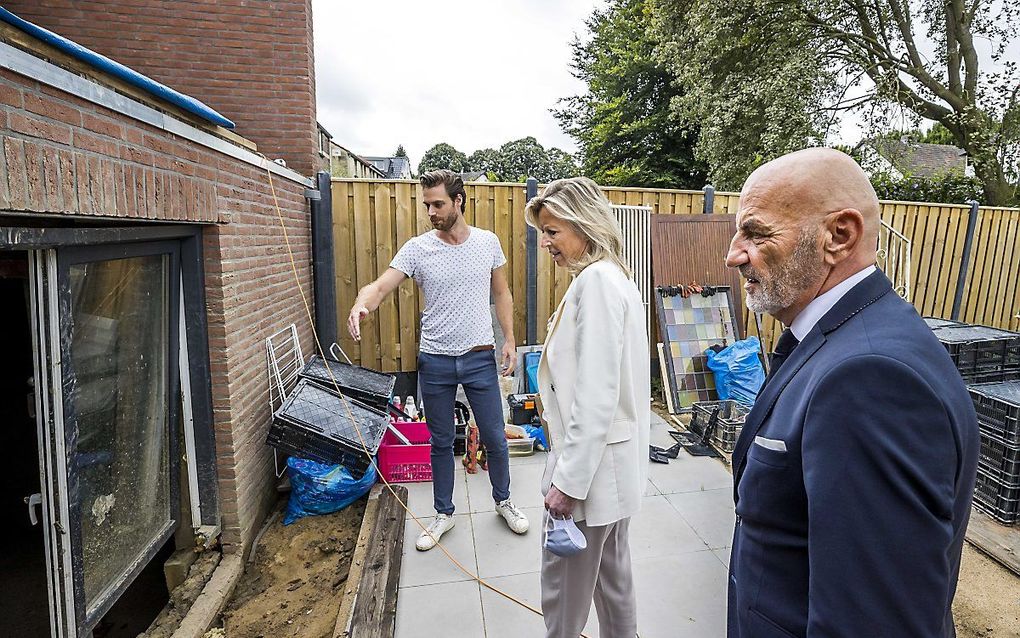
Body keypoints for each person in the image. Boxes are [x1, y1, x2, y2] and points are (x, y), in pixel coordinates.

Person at [725, 148, 979, 637]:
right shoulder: (843, 338)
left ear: (839, 236)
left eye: (756, 233)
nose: (734, 253)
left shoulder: (868, 376)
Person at [348, 169, 529, 551]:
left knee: (495, 437)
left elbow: (501, 293)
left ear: (459, 201)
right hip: (436, 360)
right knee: (441, 442)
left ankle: (504, 501)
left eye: (438, 204)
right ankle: (444, 513)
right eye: (427, 204)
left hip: (480, 356)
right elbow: (381, 285)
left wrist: (510, 338)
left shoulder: (487, 243)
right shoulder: (417, 248)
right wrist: (363, 304)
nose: (431, 211)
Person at [528, 177, 650, 638]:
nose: (546, 244)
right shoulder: (613, 278)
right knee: (612, 585)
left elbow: (596, 393)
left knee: (563, 596)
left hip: (592, 474)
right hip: (613, 471)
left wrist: (568, 483)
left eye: (553, 231)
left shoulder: (597, 282)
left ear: (585, 224)